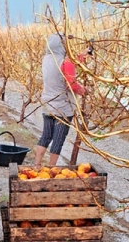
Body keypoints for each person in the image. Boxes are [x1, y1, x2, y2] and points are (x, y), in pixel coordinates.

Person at [33, 33, 87, 168]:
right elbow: (71, 84)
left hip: (48, 105)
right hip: (63, 108)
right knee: (58, 140)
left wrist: (82, 56)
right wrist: (83, 91)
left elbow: (67, 65)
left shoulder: (46, 59)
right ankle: (51, 168)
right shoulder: (65, 61)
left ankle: (36, 165)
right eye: (64, 43)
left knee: (45, 136)